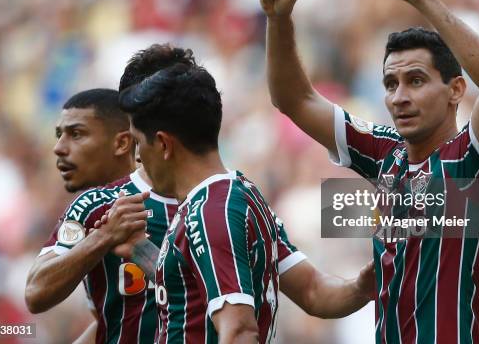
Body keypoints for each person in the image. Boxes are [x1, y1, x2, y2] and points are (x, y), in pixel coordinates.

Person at [259, 0, 479, 344]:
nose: (399, 97)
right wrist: (278, 20)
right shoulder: (386, 154)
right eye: (390, 84)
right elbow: (294, 100)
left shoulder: (475, 159)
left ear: (456, 90)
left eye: (416, 80)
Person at [93, 45, 376, 343]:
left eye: (139, 142)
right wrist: (360, 287)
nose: (138, 157)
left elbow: (239, 332)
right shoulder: (238, 195)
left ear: (163, 144)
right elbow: (312, 291)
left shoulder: (212, 212)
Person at [24, 86, 179, 344]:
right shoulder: (91, 206)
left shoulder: (192, 197)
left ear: (121, 143)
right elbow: (36, 292)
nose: (59, 148)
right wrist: (105, 236)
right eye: (59, 135)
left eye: (76, 134)